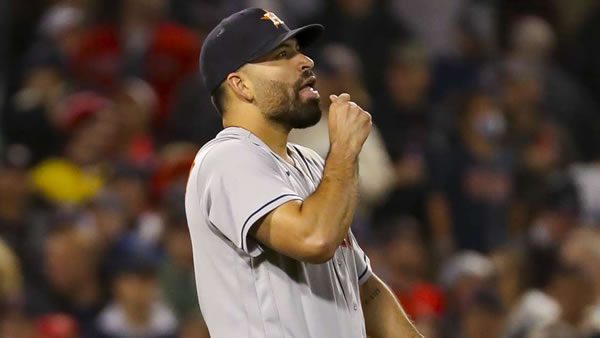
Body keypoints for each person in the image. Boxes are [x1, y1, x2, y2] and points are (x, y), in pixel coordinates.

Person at [185, 7, 422, 338]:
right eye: (282, 55)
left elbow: (366, 288)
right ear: (241, 86)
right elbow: (314, 238)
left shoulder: (310, 163)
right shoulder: (226, 158)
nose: (306, 62)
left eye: (298, 50)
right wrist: (343, 151)